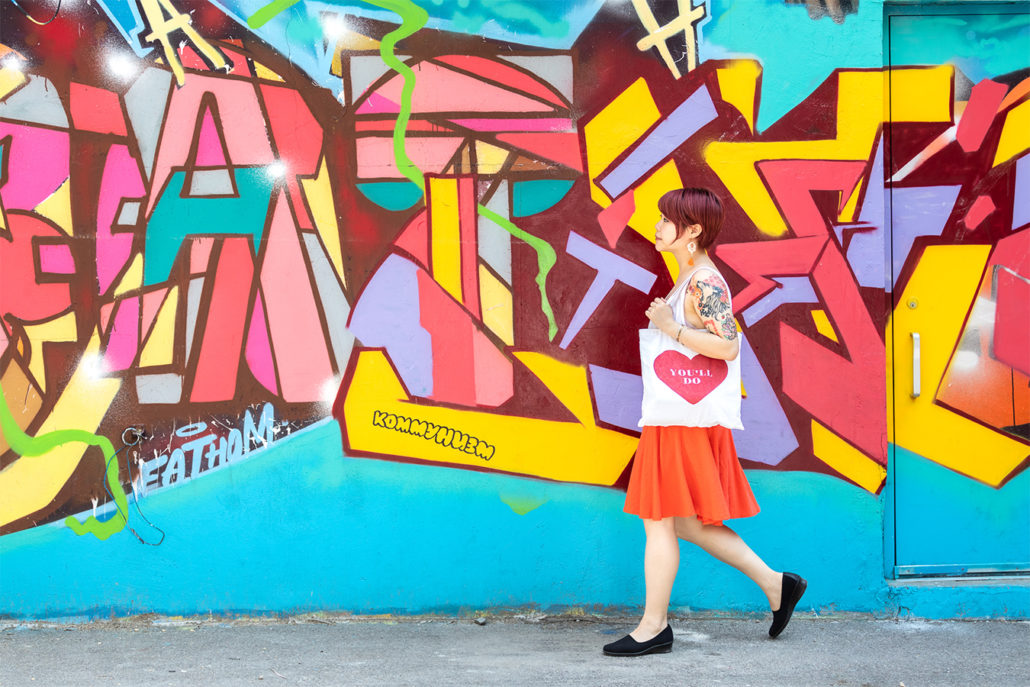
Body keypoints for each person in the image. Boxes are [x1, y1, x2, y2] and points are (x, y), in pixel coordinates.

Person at [602, 187, 807, 657]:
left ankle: (653, 627)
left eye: (666, 219)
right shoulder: (691, 278)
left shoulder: (705, 283)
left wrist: (670, 328)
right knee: (688, 525)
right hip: (677, 417)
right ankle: (778, 585)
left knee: (658, 523)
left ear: (692, 231)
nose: (657, 225)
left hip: (681, 422)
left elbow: (729, 346)